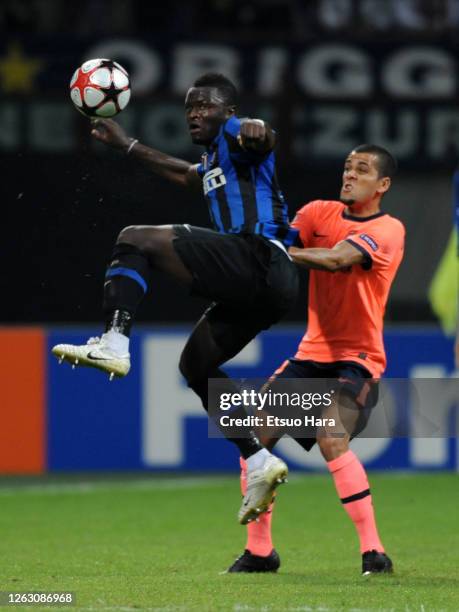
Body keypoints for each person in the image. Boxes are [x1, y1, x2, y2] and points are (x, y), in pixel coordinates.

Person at [52, 72, 299, 524]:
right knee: (196, 366)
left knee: (135, 238)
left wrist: (259, 127)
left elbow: (261, 137)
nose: (194, 114)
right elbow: (185, 175)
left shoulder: (236, 134)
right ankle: (258, 460)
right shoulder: (215, 162)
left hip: (258, 257)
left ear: (228, 109)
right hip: (269, 289)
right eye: (189, 108)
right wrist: (126, 144)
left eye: (204, 105)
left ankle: (114, 341)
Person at [227, 144, 405, 575]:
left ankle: (373, 552)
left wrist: (271, 251)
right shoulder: (316, 213)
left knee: (331, 436)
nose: (349, 174)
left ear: (382, 185)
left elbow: (335, 259)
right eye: (346, 166)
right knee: (255, 438)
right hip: (312, 353)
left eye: (362, 170)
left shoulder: (389, 229)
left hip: (358, 359)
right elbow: (278, 245)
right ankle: (260, 552)